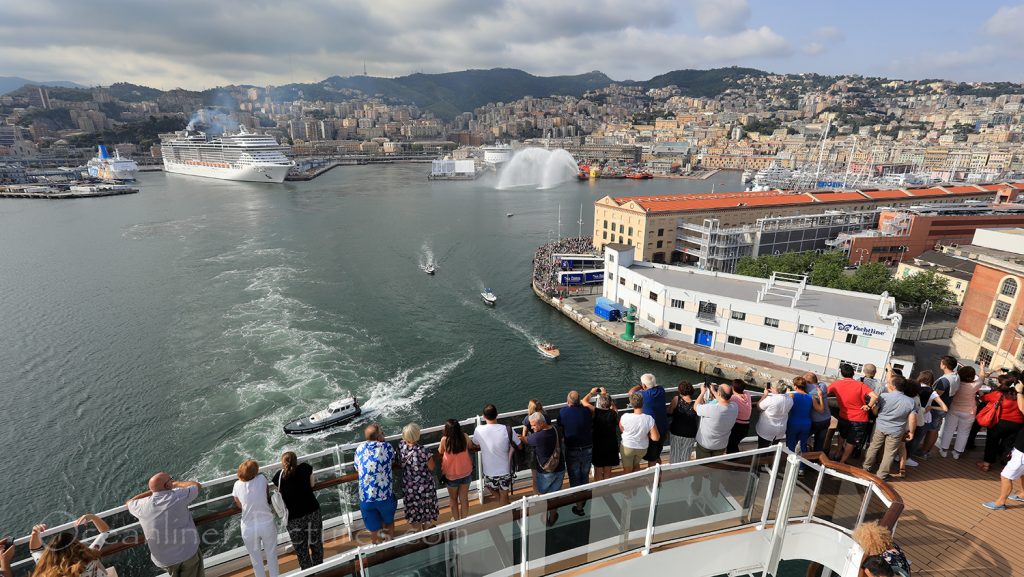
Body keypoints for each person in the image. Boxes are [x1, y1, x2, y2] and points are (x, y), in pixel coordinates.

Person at [126, 473, 204, 577]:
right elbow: (196, 485)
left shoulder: (140, 505)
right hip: (187, 553)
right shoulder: (178, 496)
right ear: (167, 485)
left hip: (164, 560)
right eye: (170, 480)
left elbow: (129, 502)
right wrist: (176, 484)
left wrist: (154, 491)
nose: (172, 481)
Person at [271, 452, 323, 569]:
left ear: (283, 463)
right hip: (312, 512)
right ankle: (320, 570)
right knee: (316, 544)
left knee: (301, 549)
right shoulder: (305, 468)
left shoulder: (279, 476)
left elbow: (278, 493)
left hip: (293, 519)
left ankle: (308, 573)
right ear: (296, 461)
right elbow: (312, 484)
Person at [862, 375, 917, 481]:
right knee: (890, 453)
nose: (887, 385)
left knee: (873, 447)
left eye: (889, 383)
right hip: (896, 430)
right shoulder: (911, 402)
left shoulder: (883, 396)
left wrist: (873, 410)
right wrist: (912, 432)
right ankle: (882, 475)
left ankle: (866, 468)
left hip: (880, 426)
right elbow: (912, 419)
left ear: (893, 386)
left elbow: (875, 411)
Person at [231, 460, 278, 577]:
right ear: (255, 472)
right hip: (266, 522)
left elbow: (239, 504)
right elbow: (266, 495)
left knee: (256, 560)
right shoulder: (262, 479)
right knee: (271, 555)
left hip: (248, 526)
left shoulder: (236, 485)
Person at [983, 380, 1024, 510]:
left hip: (1023, 451)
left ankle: (1000, 502)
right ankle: (1023, 493)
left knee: (1006, 475)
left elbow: (1023, 408)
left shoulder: (1003, 394)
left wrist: (1019, 392)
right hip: (1020, 445)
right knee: (1023, 473)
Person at [28, 514, 110, 577]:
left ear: (51, 553)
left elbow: (35, 550)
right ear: (77, 545)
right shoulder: (90, 558)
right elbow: (105, 531)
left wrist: (35, 533)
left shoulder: (48, 568)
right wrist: (92, 517)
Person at [354, 423, 396, 544]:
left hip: (366, 498)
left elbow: (357, 467)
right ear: (379, 437)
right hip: (385, 497)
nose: (384, 435)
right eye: (382, 433)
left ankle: (378, 550)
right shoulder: (387, 447)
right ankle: (389, 545)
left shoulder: (360, 448)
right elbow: (392, 461)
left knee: (374, 529)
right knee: (388, 522)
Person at [828, 364, 879, 464]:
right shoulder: (860, 385)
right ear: (853, 373)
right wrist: (868, 406)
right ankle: (842, 461)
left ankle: (838, 452)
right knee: (851, 442)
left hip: (844, 415)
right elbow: (875, 397)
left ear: (841, 373)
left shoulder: (836, 384)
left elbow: (825, 393)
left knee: (842, 435)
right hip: (860, 419)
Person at [522, 411, 565, 525]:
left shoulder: (538, 437)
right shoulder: (556, 430)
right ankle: (553, 516)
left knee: (542, 495)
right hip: (560, 468)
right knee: (555, 495)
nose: (532, 427)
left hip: (545, 472)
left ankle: (544, 516)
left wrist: (521, 437)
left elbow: (526, 440)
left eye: (534, 425)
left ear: (541, 423)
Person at [473, 404, 521, 506]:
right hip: (506, 470)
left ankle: (505, 511)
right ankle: (506, 507)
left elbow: (476, 444)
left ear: (484, 416)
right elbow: (519, 446)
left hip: (489, 471)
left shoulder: (478, 430)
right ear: (497, 415)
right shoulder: (507, 429)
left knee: (490, 487)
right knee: (504, 495)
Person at [560, 389, 597, 515]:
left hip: (572, 449)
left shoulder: (563, 412)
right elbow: (593, 411)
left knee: (574, 478)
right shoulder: (586, 411)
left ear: (568, 402)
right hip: (587, 447)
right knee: (584, 475)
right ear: (579, 401)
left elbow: (561, 427)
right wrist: (590, 394)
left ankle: (579, 505)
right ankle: (583, 496)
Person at [978, 374, 1024, 472]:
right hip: (1017, 424)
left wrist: (981, 394)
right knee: (1008, 445)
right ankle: (1005, 465)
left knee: (992, 442)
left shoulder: (999, 394)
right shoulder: (1021, 396)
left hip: (999, 422)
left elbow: (984, 399)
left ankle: (986, 464)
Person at [398, 423, 439, 530]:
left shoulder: (401, 446)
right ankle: (427, 530)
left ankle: (417, 533)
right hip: (425, 486)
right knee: (426, 508)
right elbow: (431, 467)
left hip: (409, 487)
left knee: (413, 510)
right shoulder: (424, 450)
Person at [918, 355, 960, 459]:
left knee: (930, 430)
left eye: (941, 363)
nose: (940, 364)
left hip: (936, 408)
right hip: (945, 407)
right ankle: (927, 451)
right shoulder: (956, 376)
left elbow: (936, 395)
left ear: (944, 366)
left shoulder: (944, 380)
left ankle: (923, 452)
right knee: (935, 429)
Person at [937, 366, 979, 460]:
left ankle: (943, 450)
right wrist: (983, 368)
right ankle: (957, 453)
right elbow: (983, 377)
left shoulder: (956, 383)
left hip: (954, 409)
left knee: (948, 429)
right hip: (969, 412)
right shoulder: (975, 385)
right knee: (963, 433)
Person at [628, 373, 668, 467]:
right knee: (657, 455)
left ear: (644, 385)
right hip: (663, 428)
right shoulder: (661, 390)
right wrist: (648, 384)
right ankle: (659, 474)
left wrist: (639, 386)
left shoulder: (643, 395)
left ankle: (652, 477)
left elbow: (630, 392)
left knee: (652, 458)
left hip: (652, 431)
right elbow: (656, 385)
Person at [439, 419, 473, 521]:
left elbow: (440, 451)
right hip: (466, 473)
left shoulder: (445, 440)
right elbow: (470, 446)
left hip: (451, 475)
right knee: (464, 498)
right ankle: (464, 520)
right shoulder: (465, 436)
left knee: (453, 499)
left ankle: (456, 520)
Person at [694, 383, 739, 458]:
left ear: (719, 393)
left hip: (705, 444)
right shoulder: (734, 406)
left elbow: (696, 407)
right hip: (721, 444)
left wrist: (702, 392)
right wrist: (714, 392)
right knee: (716, 464)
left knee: (703, 466)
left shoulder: (712, 409)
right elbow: (723, 402)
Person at [619, 393, 660, 472]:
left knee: (628, 471)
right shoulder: (649, 418)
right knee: (636, 465)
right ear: (643, 403)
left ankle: (630, 484)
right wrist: (646, 433)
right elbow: (655, 438)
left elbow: (622, 429)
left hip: (627, 447)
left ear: (631, 404)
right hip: (642, 448)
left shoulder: (625, 416)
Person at [786, 377, 822, 458]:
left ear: (795, 386)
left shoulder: (792, 396)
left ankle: (790, 464)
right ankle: (801, 467)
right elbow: (820, 410)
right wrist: (820, 396)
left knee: (791, 445)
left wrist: (787, 393)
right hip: (806, 424)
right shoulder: (811, 397)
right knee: (802, 446)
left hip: (793, 423)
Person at [591, 391, 621, 481]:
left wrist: (591, 393)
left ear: (599, 403)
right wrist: (607, 397)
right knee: (608, 471)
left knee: (598, 471)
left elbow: (584, 402)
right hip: (611, 445)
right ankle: (605, 489)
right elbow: (615, 409)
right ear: (610, 403)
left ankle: (598, 490)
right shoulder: (614, 414)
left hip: (598, 445)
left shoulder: (596, 412)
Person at [669, 381, 700, 463]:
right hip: (690, 434)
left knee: (674, 453)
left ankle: (673, 472)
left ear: (680, 391)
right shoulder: (696, 404)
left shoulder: (676, 399)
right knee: (686, 455)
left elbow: (669, 412)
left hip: (676, 431)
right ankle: (683, 472)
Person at [756, 382, 793, 448]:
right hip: (781, 429)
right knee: (773, 449)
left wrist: (764, 395)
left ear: (776, 389)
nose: (771, 388)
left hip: (766, 429)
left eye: (772, 387)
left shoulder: (770, 399)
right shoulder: (790, 400)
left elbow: (759, 407)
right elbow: (789, 396)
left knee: (762, 449)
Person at [805, 372, 833, 453]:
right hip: (826, 419)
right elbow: (819, 386)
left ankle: (803, 460)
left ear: (808, 382)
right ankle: (815, 461)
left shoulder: (807, 389)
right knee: (819, 443)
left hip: (815, 421)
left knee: (802, 439)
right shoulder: (823, 386)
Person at [726, 379, 753, 454]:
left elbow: (723, 400)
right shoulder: (747, 394)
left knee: (731, 445)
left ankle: (732, 461)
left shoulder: (733, 398)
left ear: (733, 388)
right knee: (734, 444)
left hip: (737, 427)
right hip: (746, 426)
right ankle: (735, 457)